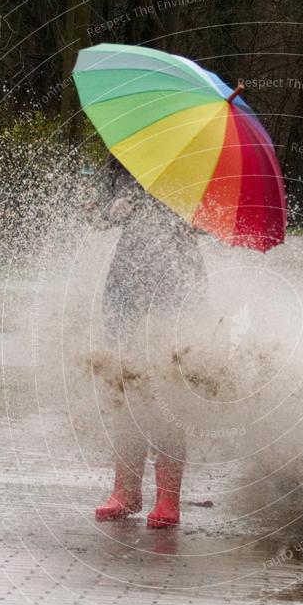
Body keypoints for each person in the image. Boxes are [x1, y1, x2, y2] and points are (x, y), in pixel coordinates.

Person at [91, 177, 207, 527]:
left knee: (167, 388)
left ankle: (168, 498)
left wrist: (191, 213)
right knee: (125, 385)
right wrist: (110, 212)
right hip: (126, 280)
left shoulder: (200, 164)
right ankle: (125, 491)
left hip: (178, 280)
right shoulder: (128, 155)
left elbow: (215, 224)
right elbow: (94, 216)